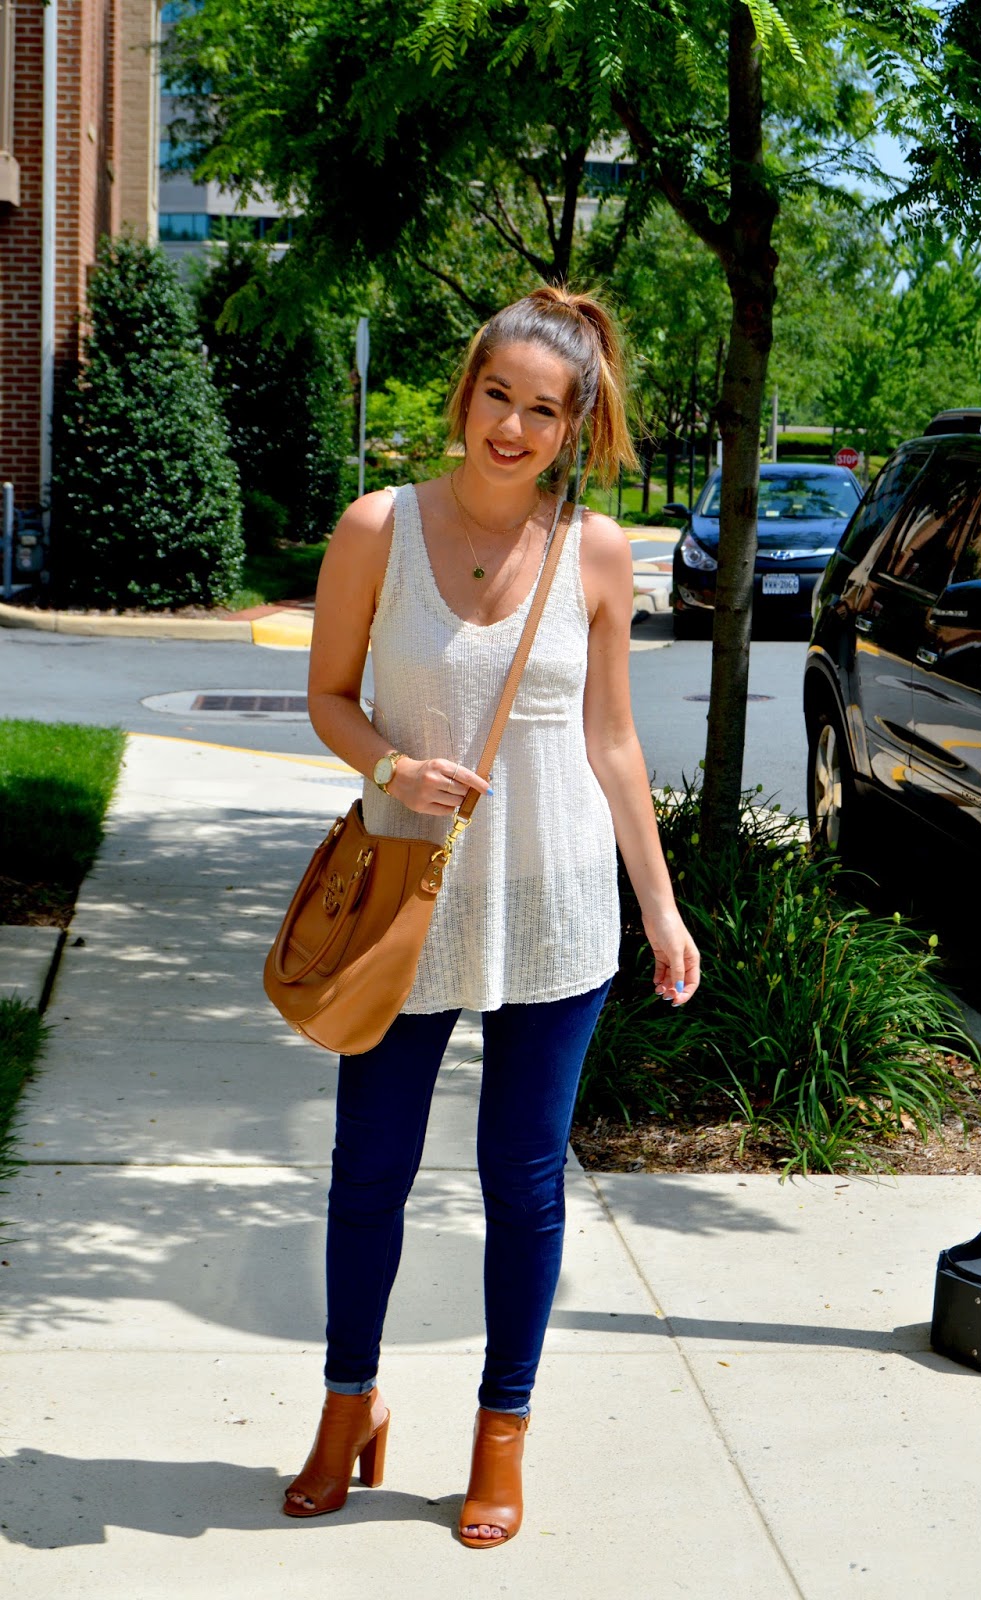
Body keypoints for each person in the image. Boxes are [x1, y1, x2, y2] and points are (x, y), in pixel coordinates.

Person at [285, 284, 700, 1547]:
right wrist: (388, 770)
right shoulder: (377, 529)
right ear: (463, 394)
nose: (512, 427)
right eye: (497, 397)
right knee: (370, 1176)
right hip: (407, 898)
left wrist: (661, 908)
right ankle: (347, 1408)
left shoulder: (598, 552)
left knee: (523, 1183)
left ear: (574, 427)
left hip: (557, 900)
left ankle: (499, 1432)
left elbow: (614, 742)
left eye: (544, 410)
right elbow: (330, 695)